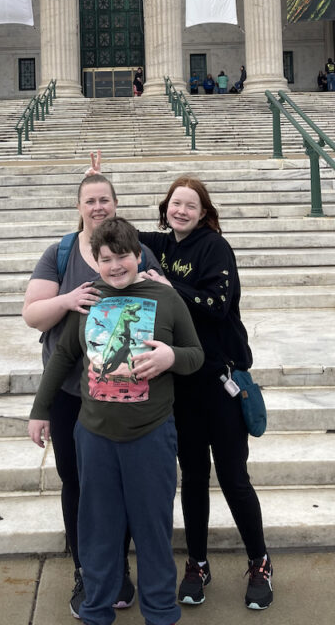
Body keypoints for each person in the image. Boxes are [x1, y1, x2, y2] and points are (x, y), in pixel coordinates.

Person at [29, 217, 204, 625]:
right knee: (99, 532)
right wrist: (40, 409)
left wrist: (170, 357)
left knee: (153, 530)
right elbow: (63, 358)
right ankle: (96, 609)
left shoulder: (166, 298)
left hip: (151, 434)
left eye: (122, 256)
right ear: (96, 262)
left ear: (138, 255)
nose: (115, 266)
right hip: (95, 435)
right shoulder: (88, 299)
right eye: (105, 259)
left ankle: (160, 612)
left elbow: (196, 353)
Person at [22, 169, 161, 617]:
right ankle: (86, 569)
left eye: (105, 200)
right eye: (90, 200)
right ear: (79, 206)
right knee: (77, 483)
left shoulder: (134, 250)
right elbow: (32, 315)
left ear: (115, 205)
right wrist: (67, 300)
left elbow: (165, 303)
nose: (98, 207)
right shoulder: (60, 253)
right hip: (68, 391)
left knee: (115, 486)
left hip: (118, 391)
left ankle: (116, 568)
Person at [135, 176, 274, 611]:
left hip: (220, 382)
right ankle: (196, 563)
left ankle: (260, 562)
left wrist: (168, 286)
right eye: (175, 203)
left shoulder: (214, 247)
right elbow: (107, 228)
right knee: (193, 478)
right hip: (182, 386)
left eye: (190, 206)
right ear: (165, 207)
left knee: (233, 477)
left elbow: (218, 303)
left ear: (203, 212)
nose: (181, 211)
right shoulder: (160, 246)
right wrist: (92, 194)